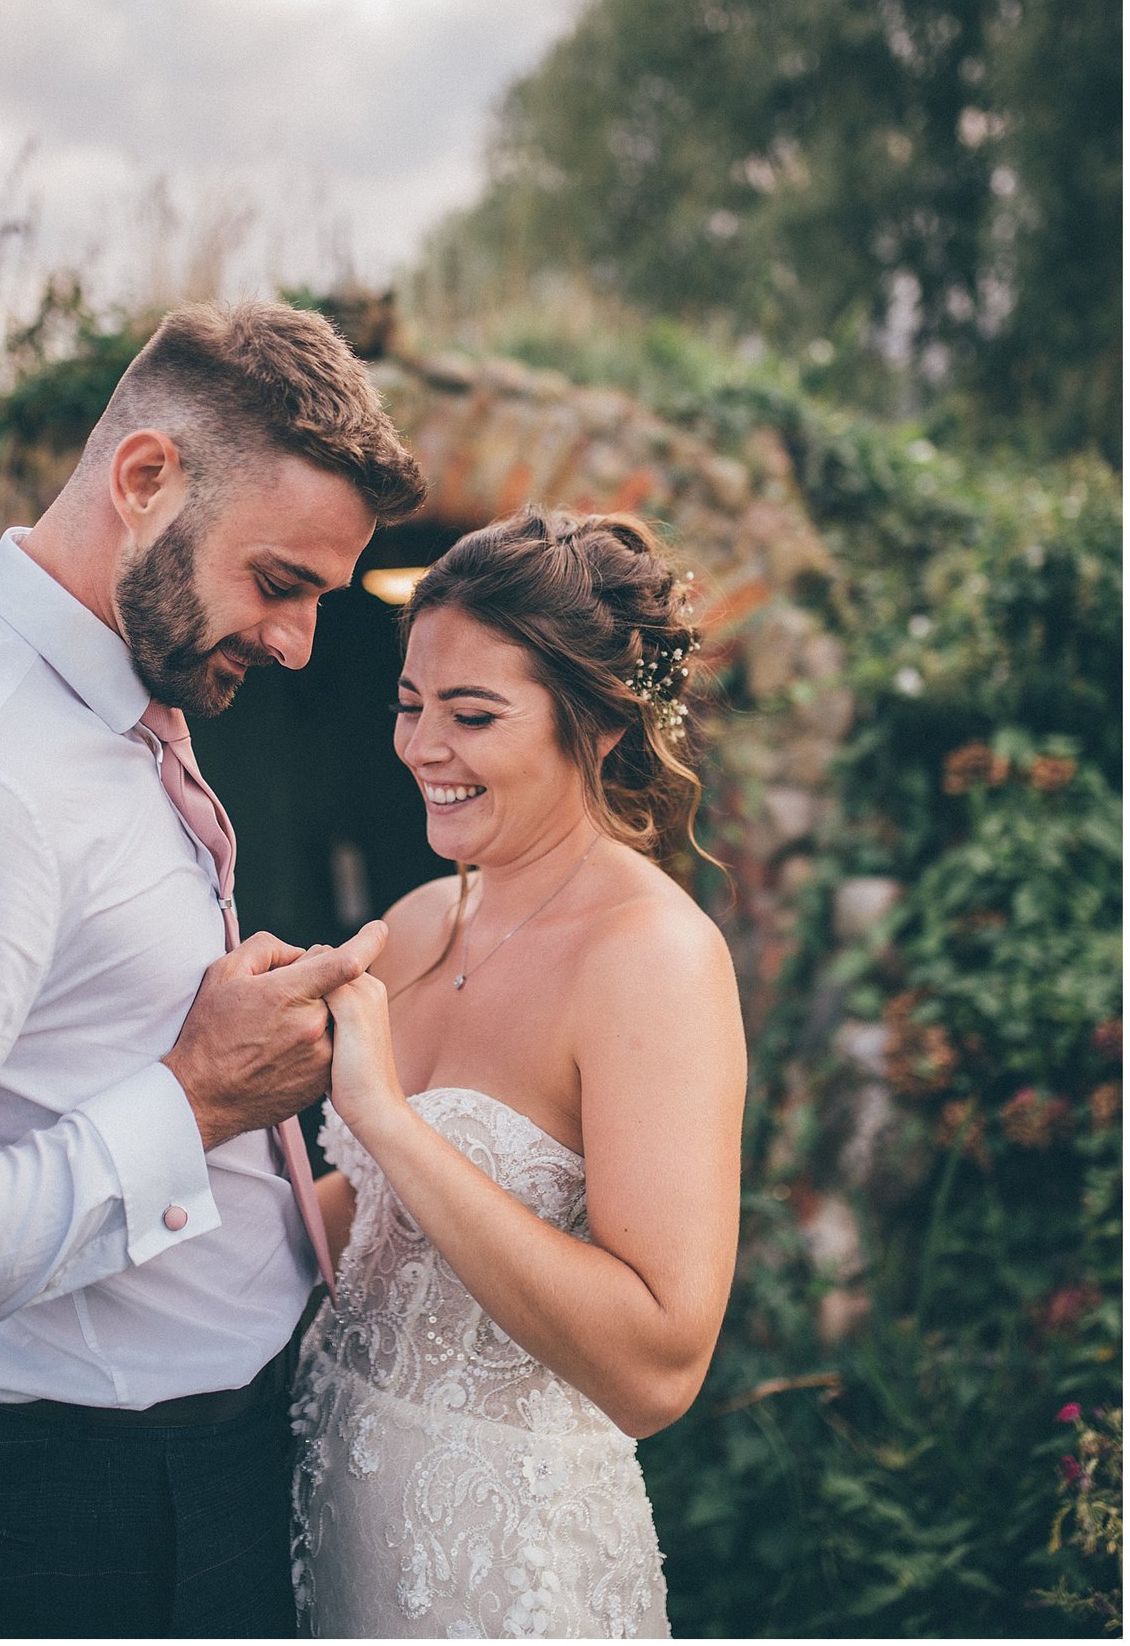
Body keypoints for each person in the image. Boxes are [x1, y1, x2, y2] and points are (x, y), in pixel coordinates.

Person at [0, 300, 426, 1637]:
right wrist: (190, 1102)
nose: (299, 643)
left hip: (222, 1456)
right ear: (145, 480)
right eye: (280, 583)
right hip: (75, 1519)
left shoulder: (132, 696)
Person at [291, 508, 745, 1638]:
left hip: (501, 1567)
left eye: (472, 714)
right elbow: (359, 1235)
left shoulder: (651, 959)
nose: (420, 748)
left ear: (594, 729)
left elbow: (654, 1368)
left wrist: (391, 1125)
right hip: (332, 1515)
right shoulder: (414, 923)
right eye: (410, 704)